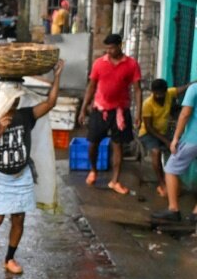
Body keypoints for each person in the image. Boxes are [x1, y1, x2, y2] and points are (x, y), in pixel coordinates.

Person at [0, 61, 65, 274]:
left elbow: (51, 102)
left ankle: (9, 258)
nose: (13, 104)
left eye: (16, 100)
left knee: (19, 218)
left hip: (21, 175)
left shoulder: (26, 115)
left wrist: (58, 76)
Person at [78, 34, 142, 195]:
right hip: (100, 109)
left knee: (118, 146)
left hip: (120, 111)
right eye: (107, 48)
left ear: (120, 45)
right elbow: (91, 86)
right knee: (93, 143)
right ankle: (93, 170)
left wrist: (138, 113)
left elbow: (137, 90)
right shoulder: (99, 63)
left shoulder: (131, 64)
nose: (109, 51)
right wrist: (83, 108)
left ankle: (115, 180)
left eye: (112, 47)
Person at [138, 79, 194, 197]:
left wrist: (194, 83)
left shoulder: (169, 93)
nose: (159, 96)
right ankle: (162, 183)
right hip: (148, 133)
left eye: (161, 93)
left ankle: (172, 181)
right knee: (156, 152)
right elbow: (149, 128)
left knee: (177, 148)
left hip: (163, 132)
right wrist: (166, 141)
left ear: (165, 91)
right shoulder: (147, 104)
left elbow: (184, 87)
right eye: (156, 93)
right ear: (153, 92)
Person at [151, 82, 197, 223]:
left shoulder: (194, 88)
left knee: (171, 169)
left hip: (193, 138)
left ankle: (173, 209)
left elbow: (185, 113)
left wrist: (176, 137)